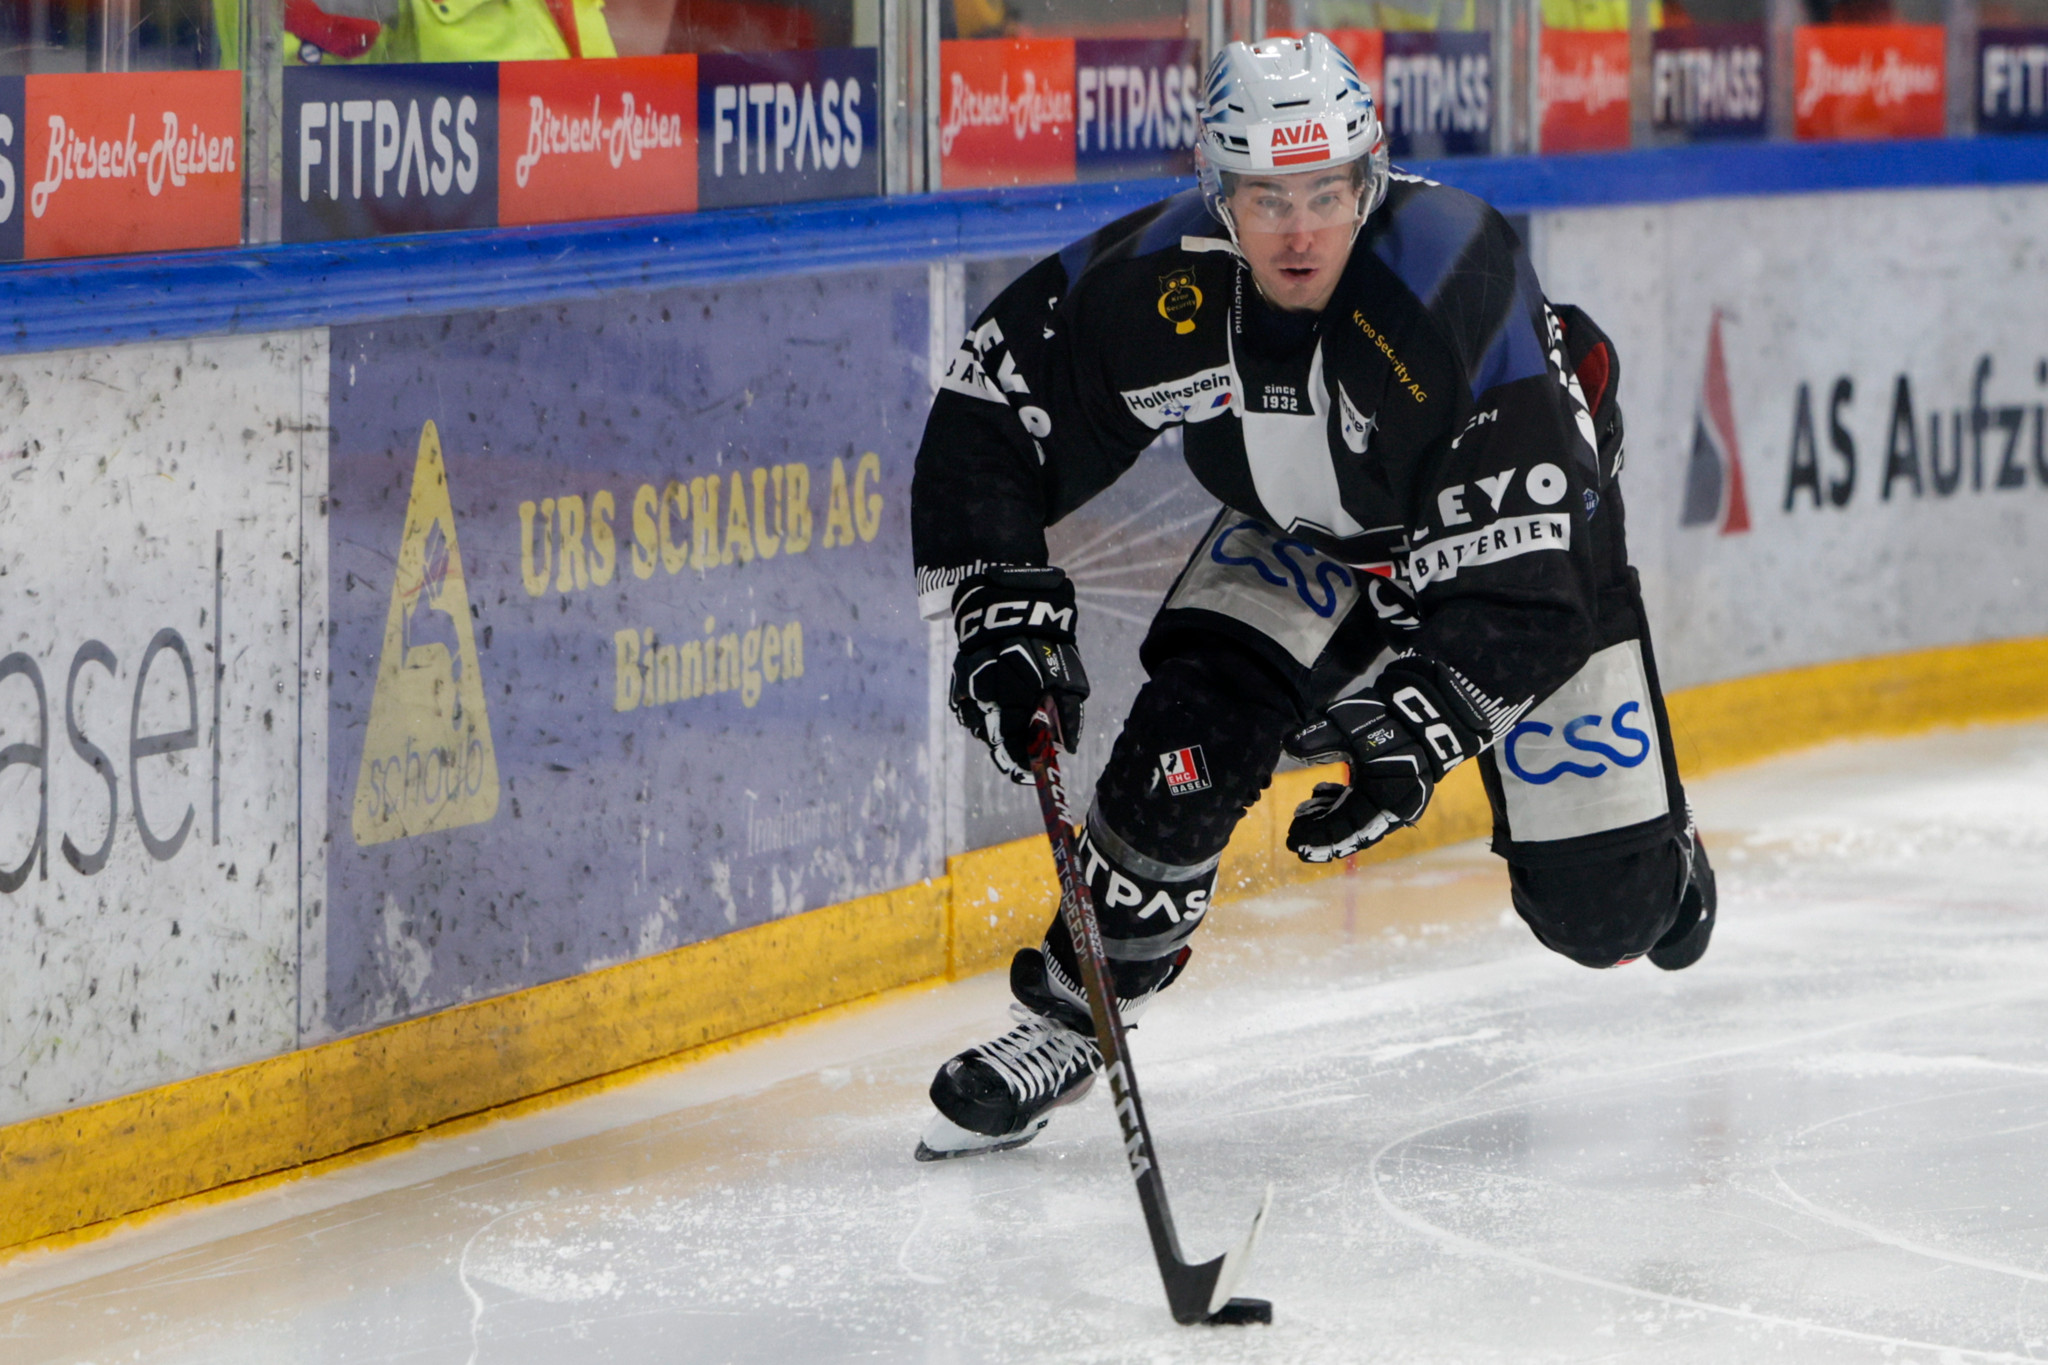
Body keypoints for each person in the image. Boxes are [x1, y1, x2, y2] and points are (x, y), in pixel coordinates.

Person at [909, 33, 1716, 1160]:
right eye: (1264, 196)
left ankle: (1660, 864)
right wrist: (998, 600)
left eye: (1326, 193)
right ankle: (1072, 1012)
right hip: (1309, 540)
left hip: (1512, 545)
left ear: (1368, 180)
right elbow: (992, 407)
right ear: (1215, 193)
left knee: (1609, 919)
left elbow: (1527, 596)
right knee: (1187, 737)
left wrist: (1423, 728)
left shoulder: (1446, 272)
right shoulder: (1162, 282)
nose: (1297, 230)